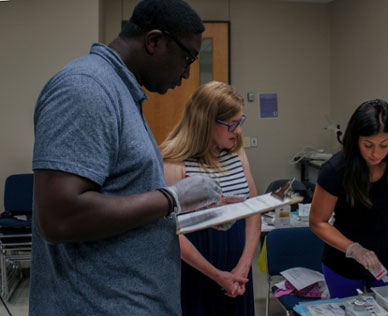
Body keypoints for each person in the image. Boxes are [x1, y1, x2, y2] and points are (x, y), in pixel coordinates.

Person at [30, 1, 223, 315]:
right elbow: (59, 217)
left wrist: (193, 210)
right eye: (187, 57)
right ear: (154, 41)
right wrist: (171, 198)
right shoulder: (86, 88)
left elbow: (124, 199)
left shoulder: (121, 92)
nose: (187, 73)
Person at [309, 99, 388, 298]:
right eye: (368, 145)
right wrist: (354, 249)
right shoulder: (336, 170)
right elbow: (317, 222)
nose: (376, 153)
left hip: (385, 254)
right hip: (344, 262)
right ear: (356, 140)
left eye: (384, 145)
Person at [161, 81, 261, 316]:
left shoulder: (236, 151)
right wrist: (217, 275)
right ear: (206, 123)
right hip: (197, 267)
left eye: (240, 122)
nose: (237, 131)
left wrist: (244, 266)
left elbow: (253, 209)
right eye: (231, 124)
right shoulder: (173, 161)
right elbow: (169, 231)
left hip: (238, 264)